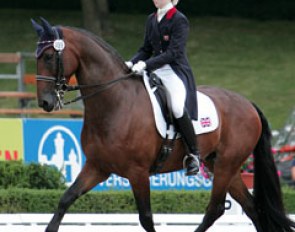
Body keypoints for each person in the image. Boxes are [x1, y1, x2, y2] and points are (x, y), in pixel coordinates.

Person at [125, 0, 200, 176]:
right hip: (154, 70)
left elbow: (173, 53)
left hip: (175, 70)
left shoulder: (179, 19)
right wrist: (131, 62)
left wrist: (145, 64)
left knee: (176, 107)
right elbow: (145, 48)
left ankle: (194, 154)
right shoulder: (151, 19)